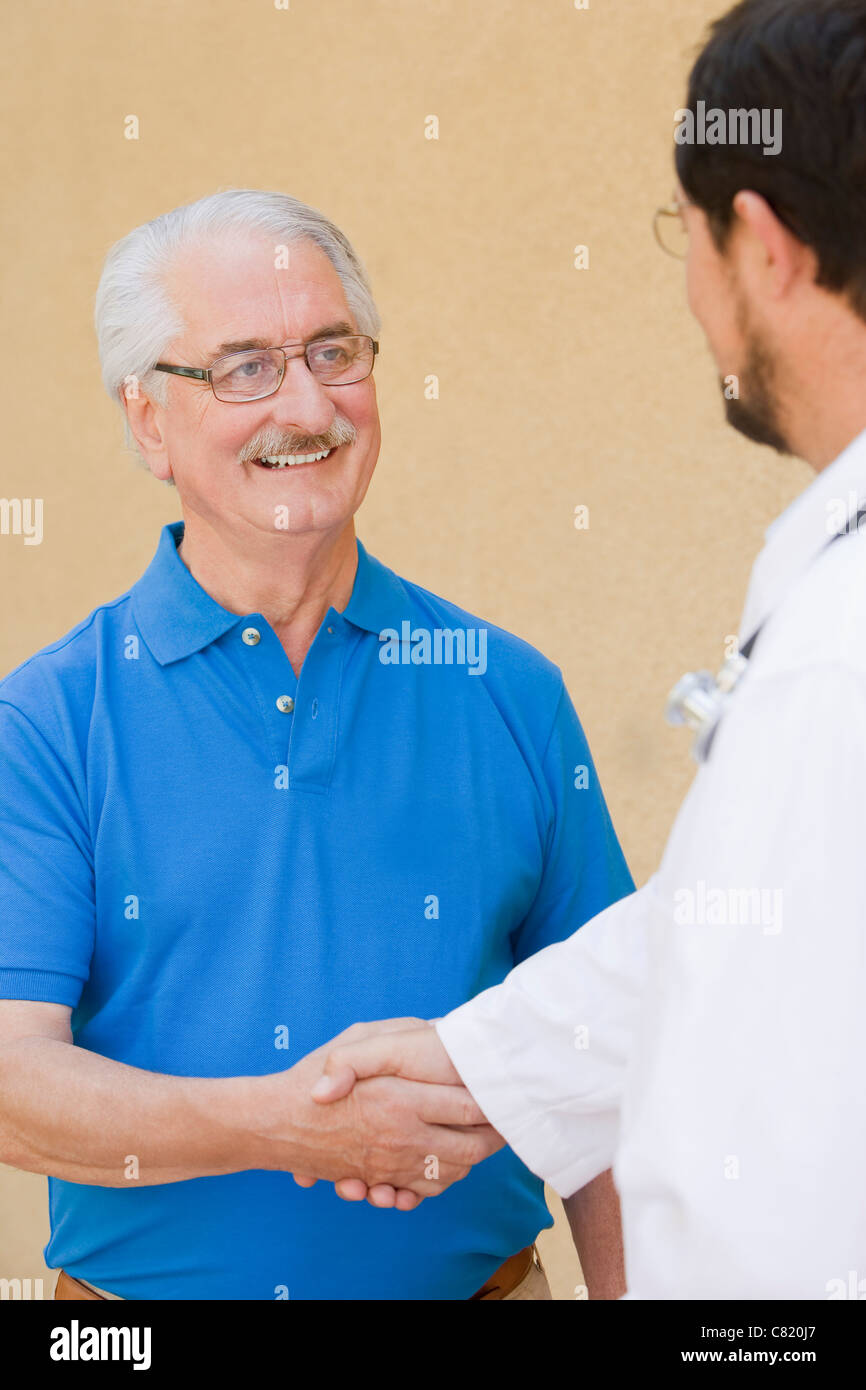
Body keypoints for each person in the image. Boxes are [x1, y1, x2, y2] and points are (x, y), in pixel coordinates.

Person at [304, 0, 866, 1298]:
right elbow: (738, 923)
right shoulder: (821, 584)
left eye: (691, 238)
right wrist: (480, 1058)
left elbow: (779, 1132)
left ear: (762, 248)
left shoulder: (835, 652)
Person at [0, 188, 633, 1299]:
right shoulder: (49, 720)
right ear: (148, 419)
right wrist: (289, 1128)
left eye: (332, 351)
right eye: (244, 366)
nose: (306, 403)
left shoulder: (508, 690)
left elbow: (609, 1056)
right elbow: (10, 1079)